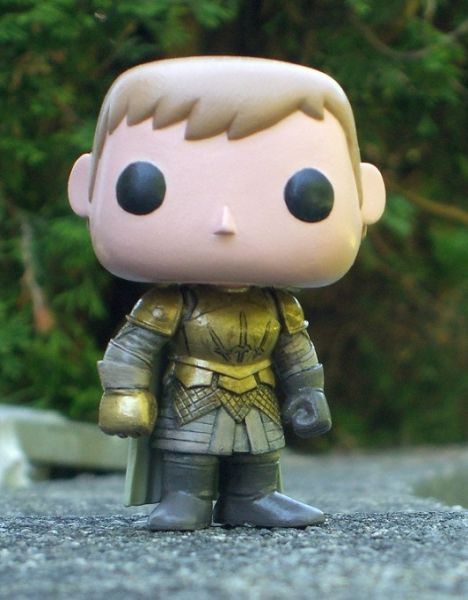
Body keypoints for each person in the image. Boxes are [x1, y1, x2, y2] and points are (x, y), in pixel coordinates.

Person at [68, 56, 385, 530]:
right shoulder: (171, 303)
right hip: (193, 391)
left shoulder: (279, 305)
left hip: (258, 392)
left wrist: (308, 392)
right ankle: (186, 498)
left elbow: (296, 352)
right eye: (146, 187)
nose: (224, 221)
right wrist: (125, 394)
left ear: (367, 197)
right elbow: (133, 348)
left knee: (258, 450)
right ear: (85, 187)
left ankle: (254, 497)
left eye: (306, 193)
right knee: (190, 450)